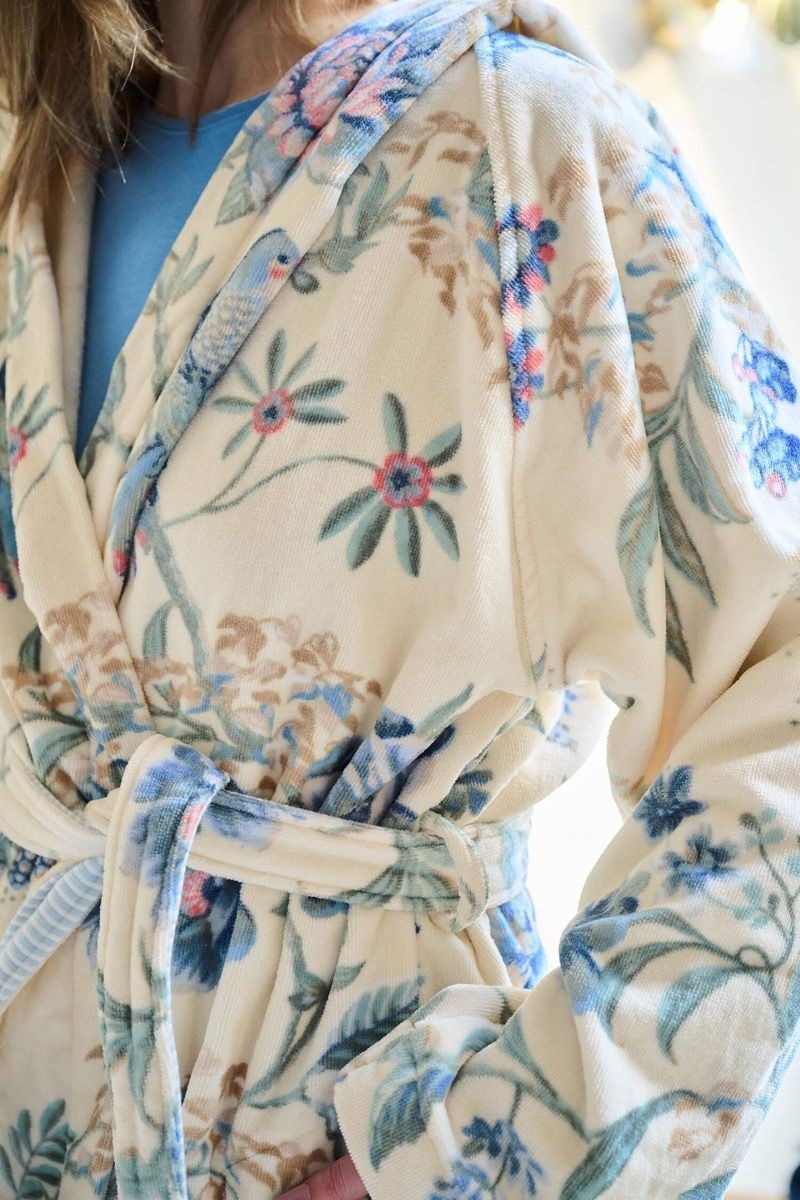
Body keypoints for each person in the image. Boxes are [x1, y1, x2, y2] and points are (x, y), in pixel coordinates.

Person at [0, 0, 798, 1197]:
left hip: (321, 1127)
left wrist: (489, 1154)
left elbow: (776, 694)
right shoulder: (32, 171)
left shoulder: (525, 143)